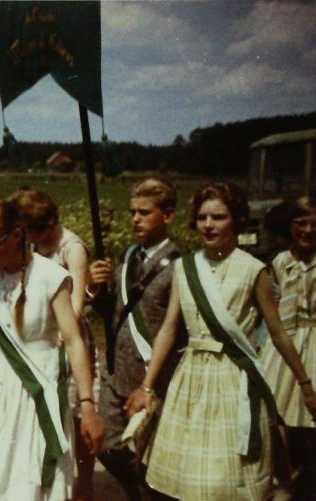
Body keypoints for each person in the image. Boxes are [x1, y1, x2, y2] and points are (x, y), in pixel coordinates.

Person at [127, 182, 316, 500]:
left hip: (234, 382)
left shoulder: (254, 270)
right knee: (186, 479)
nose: (209, 225)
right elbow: (169, 328)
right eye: (203, 217)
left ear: (237, 221)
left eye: (218, 217)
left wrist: (307, 386)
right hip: (190, 381)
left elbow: (278, 333)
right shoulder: (185, 268)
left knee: (224, 481)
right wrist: (147, 387)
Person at [0, 198, 104, 501]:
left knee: (32, 486)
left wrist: (87, 405)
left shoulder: (51, 277)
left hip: (39, 390)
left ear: (17, 234)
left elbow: (73, 340)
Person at [87, 178, 185, 501]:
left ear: (167, 215)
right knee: (105, 442)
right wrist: (95, 287)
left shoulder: (179, 265)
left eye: (144, 212)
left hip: (151, 375)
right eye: (132, 212)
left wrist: (152, 383)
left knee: (148, 451)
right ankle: (137, 490)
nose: (135, 219)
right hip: (117, 371)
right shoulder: (129, 255)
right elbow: (114, 308)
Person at [8, 187, 99, 501]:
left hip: (65, 334)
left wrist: (58, 327)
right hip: (39, 336)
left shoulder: (71, 248)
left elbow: (76, 300)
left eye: (32, 231)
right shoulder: (33, 246)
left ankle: (84, 483)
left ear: (48, 225)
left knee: (74, 409)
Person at [259, 194, 316, 500]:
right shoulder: (280, 262)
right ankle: (285, 484)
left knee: (312, 427)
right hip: (283, 347)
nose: (309, 230)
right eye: (301, 223)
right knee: (276, 422)